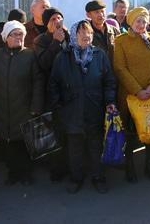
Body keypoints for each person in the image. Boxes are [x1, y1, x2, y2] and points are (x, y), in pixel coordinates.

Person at [49, 20, 116, 194]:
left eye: (89, 33)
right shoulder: (63, 57)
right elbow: (53, 84)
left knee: (95, 146)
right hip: (71, 110)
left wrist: (109, 101)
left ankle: (98, 177)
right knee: (75, 148)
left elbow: (109, 82)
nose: (87, 36)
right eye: (82, 33)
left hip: (95, 107)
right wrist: (59, 106)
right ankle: (76, 178)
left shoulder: (99, 54)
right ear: (73, 35)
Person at [113, 7, 150, 183]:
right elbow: (120, 68)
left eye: (144, 21)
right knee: (130, 133)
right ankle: (130, 166)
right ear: (131, 22)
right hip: (131, 95)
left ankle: (149, 165)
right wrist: (137, 90)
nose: (141, 25)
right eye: (138, 21)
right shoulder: (121, 41)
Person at [0, 20, 44, 186]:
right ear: (6, 37)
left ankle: (26, 174)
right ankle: (13, 174)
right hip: (2, 108)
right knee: (9, 143)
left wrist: (36, 106)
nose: (19, 37)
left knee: (25, 142)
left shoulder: (30, 55)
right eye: (15, 34)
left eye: (21, 34)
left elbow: (38, 82)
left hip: (25, 107)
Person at [33, 7, 70, 182]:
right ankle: (56, 169)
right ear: (47, 23)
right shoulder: (41, 40)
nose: (57, 22)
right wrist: (55, 42)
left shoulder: (70, 36)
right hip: (51, 92)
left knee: (70, 129)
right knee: (54, 131)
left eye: (59, 18)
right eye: (53, 19)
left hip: (70, 91)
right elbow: (43, 64)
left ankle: (71, 165)